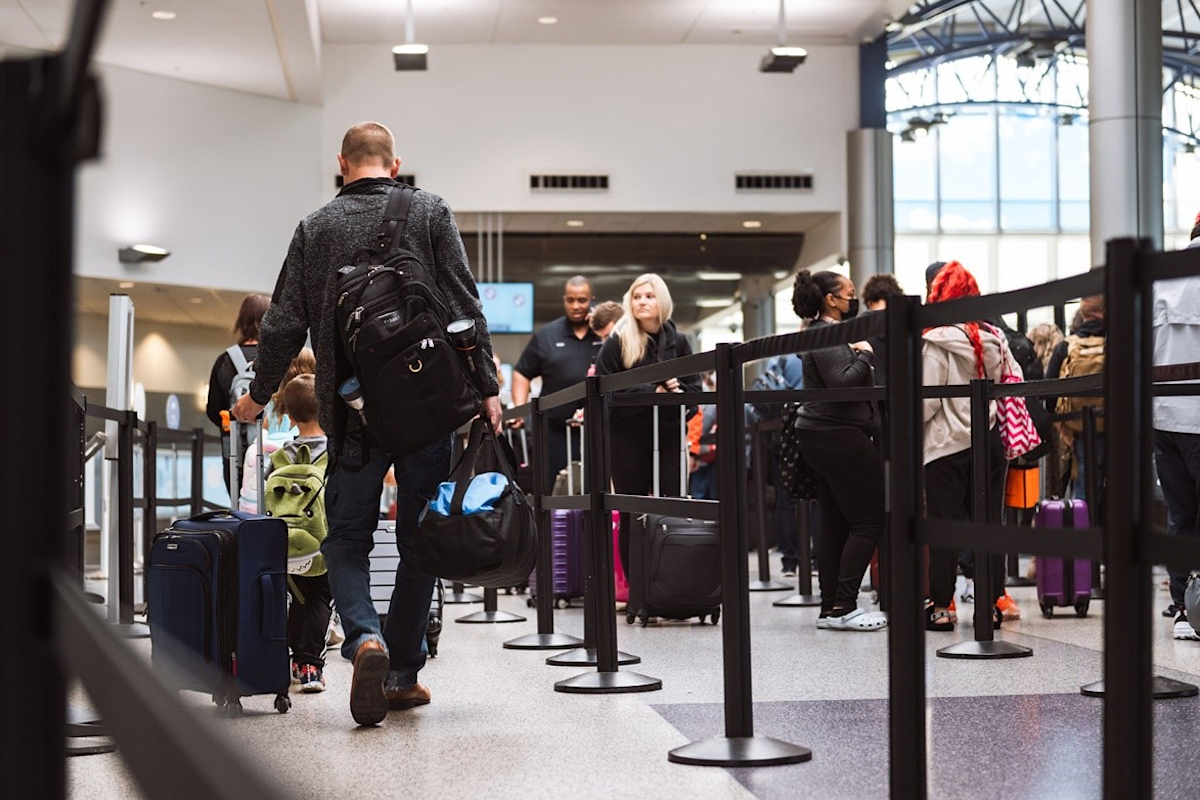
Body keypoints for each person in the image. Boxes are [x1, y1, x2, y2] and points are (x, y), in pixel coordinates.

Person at [231, 121, 501, 726]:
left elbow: (283, 324)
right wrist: (486, 386)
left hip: (350, 414)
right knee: (419, 538)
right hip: (428, 410)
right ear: (395, 164)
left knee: (346, 538)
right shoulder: (430, 211)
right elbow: (463, 305)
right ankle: (402, 674)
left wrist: (258, 393)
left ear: (341, 164)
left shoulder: (316, 226)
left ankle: (364, 639)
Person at [791, 269, 887, 631]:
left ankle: (830, 605)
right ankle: (844, 604)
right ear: (831, 299)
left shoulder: (820, 333)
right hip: (839, 435)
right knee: (870, 520)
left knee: (835, 523)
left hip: (822, 435)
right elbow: (841, 382)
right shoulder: (827, 334)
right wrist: (865, 355)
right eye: (848, 293)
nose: (853, 299)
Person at [921, 261, 1013, 631]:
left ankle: (942, 606)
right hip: (990, 443)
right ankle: (989, 604)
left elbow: (925, 404)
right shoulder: (994, 339)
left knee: (945, 529)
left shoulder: (936, 342)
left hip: (946, 448)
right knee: (989, 524)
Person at [595, 273, 701, 574]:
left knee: (675, 505)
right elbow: (605, 390)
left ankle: (674, 579)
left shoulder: (679, 342)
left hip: (668, 435)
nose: (642, 301)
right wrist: (651, 390)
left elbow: (695, 395)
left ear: (662, 301)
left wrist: (677, 393)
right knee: (633, 512)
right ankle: (637, 587)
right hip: (627, 438)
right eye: (637, 296)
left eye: (649, 296)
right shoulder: (618, 340)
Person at [266, 373, 334, 693]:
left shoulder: (279, 458)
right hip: (320, 545)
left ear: (290, 417)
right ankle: (310, 666)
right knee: (319, 597)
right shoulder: (333, 453)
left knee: (297, 598)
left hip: (283, 545)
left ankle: (294, 659)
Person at [511, 276, 604, 494]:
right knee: (552, 492)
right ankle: (551, 530)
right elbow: (521, 373)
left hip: (596, 431)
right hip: (552, 431)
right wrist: (518, 410)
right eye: (570, 300)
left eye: (582, 300)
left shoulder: (605, 334)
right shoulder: (547, 334)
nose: (576, 306)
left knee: (595, 492)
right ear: (564, 300)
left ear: (592, 300)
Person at [1157, 214, 1200, 640]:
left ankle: (1182, 609)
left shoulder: (1161, 279)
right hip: (1199, 415)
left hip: (1164, 415)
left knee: (1179, 515)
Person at [206, 293, 270, 495]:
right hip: (272, 448)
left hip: (234, 449)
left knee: (239, 505)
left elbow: (213, 409)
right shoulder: (275, 360)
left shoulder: (224, 361)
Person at [1047, 295, 1107, 505]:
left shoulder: (1066, 346)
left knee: (1083, 490)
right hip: (1118, 432)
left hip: (1080, 431)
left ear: (1082, 314)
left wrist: (1063, 428)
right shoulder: (1120, 343)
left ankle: (1084, 534)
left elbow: (1048, 394)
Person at [687, 371, 719, 500]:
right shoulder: (709, 398)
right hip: (703, 452)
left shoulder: (701, 397)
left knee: (698, 494)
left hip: (699, 452)